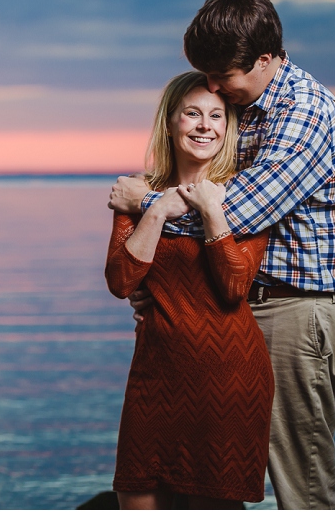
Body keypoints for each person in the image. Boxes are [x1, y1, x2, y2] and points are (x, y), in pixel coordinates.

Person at [109, 0, 335, 509]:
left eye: (224, 77)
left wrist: (144, 204)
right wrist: (159, 282)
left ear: (266, 60)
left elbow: (233, 213)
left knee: (299, 476)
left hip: (301, 307)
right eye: (205, 76)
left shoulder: (303, 115)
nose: (214, 89)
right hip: (251, 309)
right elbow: (206, 207)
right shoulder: (248, 104)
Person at [107, 71, 274, 509]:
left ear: (228, 127)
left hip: (228, 375)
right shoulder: (139, 193)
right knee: (136, 492)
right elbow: (121, 281)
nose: (205, 125)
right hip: (155, 372)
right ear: (170, 122)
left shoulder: (246, 194)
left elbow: (235, 286)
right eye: (193, 114)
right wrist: (157, 209)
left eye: (217, 116)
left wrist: (213, 214)